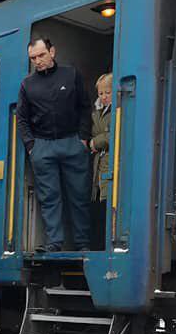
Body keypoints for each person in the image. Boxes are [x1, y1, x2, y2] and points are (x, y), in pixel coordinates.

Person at [17, 37, 93, 252]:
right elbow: (21, 119)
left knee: (79, 195)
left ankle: (83, 243)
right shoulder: (27, 84)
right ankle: (54, 243)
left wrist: (83, 138)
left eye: (41, 55)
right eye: (33, 58)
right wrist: (32, 146)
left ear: (53, 51)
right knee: (49, 197)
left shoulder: (71, 74)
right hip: (43, 146)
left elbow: (85, 107)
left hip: (73, 142)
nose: (38, 61)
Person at [90, 73, 114, 247]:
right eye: (101, 94)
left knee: (107, 204)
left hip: (108, 165)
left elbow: (114, 134)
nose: (104, 97)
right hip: (99, 166)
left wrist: (95, 142)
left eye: (108, 93)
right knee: (99, 205)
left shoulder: (117, 110)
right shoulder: (97, 112)